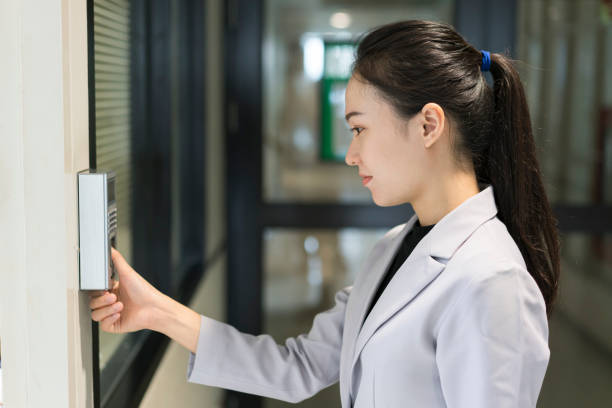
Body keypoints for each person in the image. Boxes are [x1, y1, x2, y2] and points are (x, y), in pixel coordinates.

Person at [90, 20, 560, 407]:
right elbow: (297, 367)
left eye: (359, 129)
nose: (352, 155)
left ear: (428, 125)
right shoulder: (395, 248)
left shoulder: (491, 281)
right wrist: (156, 311)